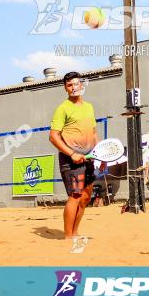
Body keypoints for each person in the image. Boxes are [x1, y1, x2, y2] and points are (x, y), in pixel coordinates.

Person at [49, 71, 98, 239]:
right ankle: (68, 236)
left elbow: (93, 133)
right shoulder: (62, 109)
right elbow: (53, 136)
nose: (73, 87)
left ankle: (75, 232)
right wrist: (72, 153)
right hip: (71, 160)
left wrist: (99, 155)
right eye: (69, 85)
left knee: (85, 198)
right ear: (65, 88)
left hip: (89, 158)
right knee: (75, 196)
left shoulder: (89, 107)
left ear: (81, 85)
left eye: (76, 84)